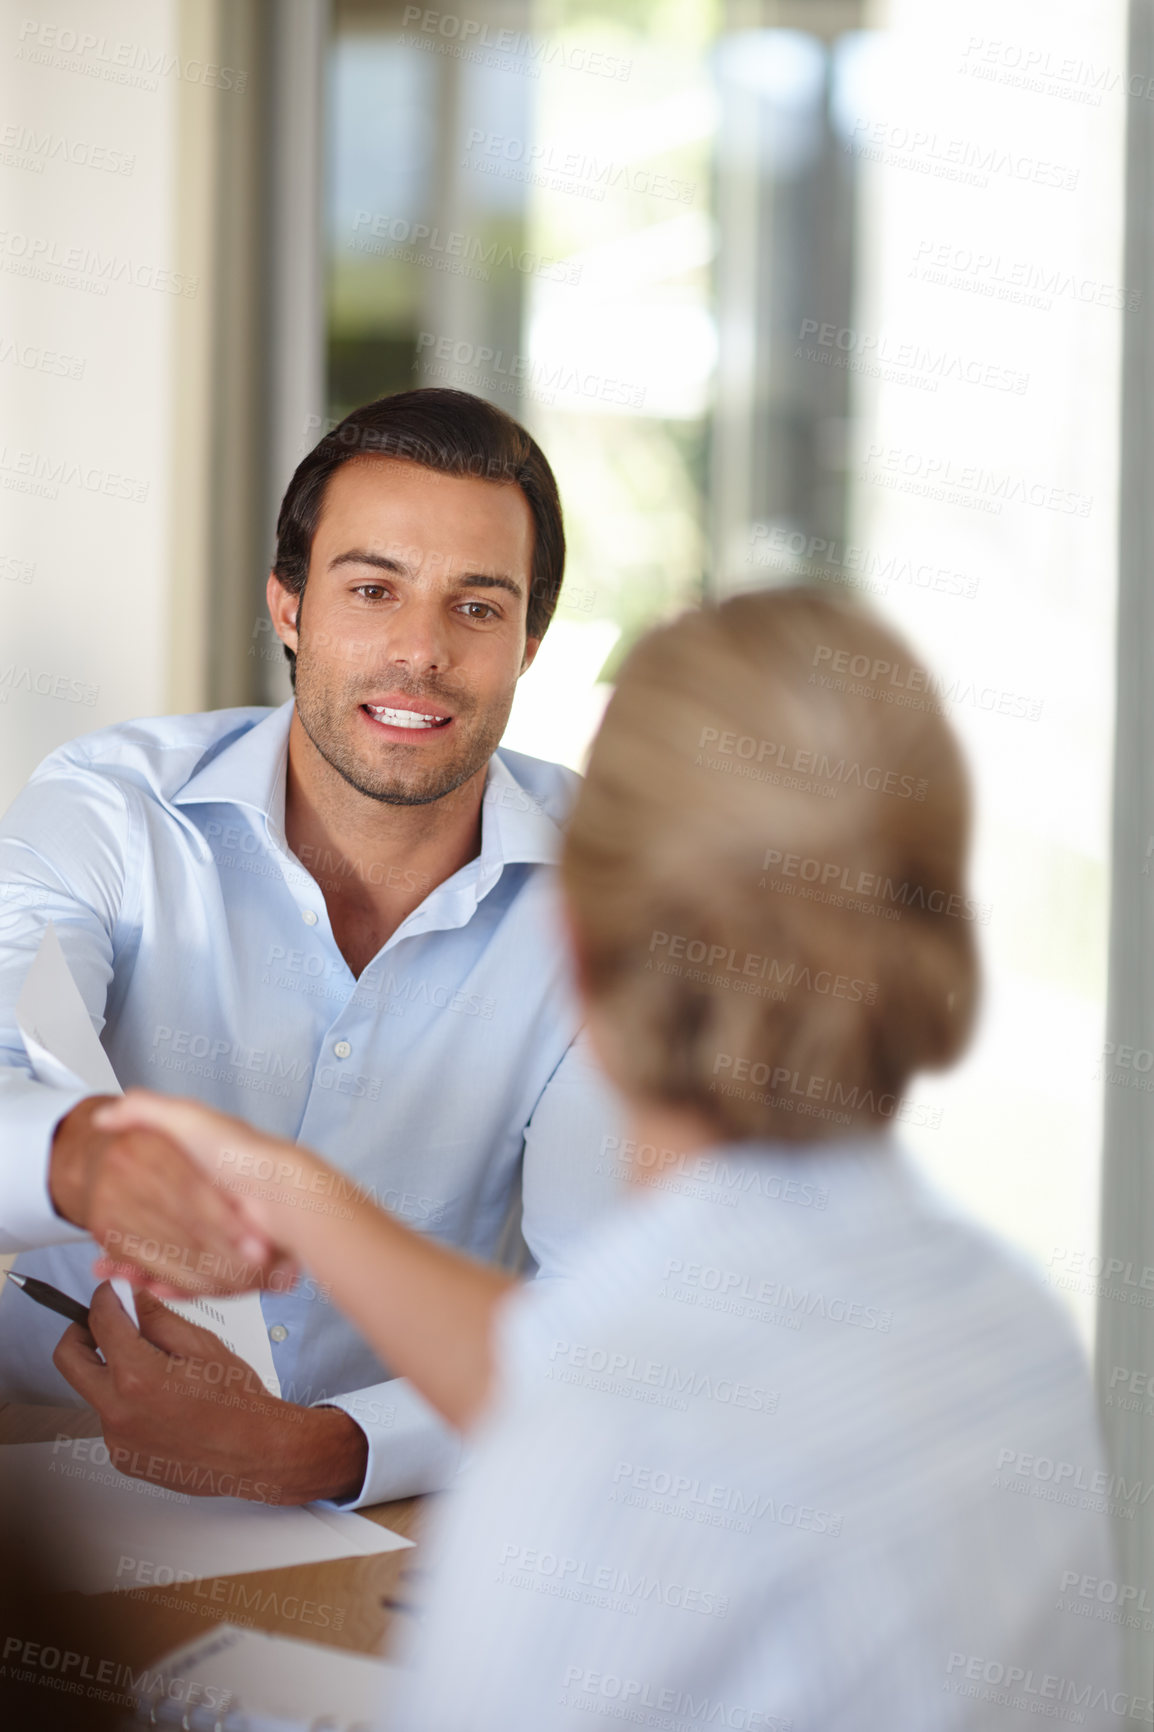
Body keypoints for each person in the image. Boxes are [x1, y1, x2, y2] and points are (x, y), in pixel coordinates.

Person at [90, 589, 1122, 1729]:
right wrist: (299, 1191)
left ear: (570, 936)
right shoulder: (1007, 1318)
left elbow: (618, 1405)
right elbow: (625, 1366)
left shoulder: (592, 1470)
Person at [0, 387, 622, 1509]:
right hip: (52, 1449)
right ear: (287, 605)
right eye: (372, 589)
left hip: (392, 1496)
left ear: (528, 643)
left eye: (476, 608)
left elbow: (610, 1303)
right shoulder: (113, 807)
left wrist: (334, 1448)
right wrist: (76, 1153)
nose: (419, 652)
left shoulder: (615, 894)